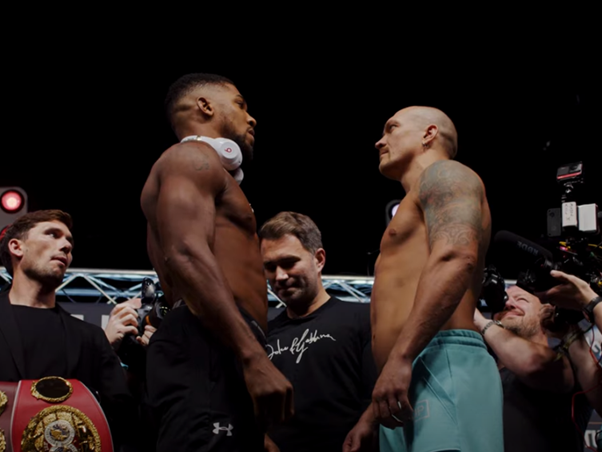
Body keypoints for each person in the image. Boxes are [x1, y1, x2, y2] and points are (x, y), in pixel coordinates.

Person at [141, 73, 293, 452]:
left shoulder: (204, 169)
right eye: (241, 104)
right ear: (205, 107)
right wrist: (253, 357)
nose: (251, 117)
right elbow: (185, 253)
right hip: (208, 341)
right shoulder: (190, 157)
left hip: (218, 346)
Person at [370, 106, 503, 451]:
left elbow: (456, 257)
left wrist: (401, 357)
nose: (379, 141)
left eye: (391, 128)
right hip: (406, 369)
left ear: (429, 134)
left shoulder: (447, 175)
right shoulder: (415, 198)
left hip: (442, 360)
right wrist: (371, 415)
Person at [0, 209, 136, 448]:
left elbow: (123, 423)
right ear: (16, 247)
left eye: (69, 242)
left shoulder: (91, 339)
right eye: (52, 235)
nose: (65, 246)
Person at [258, 211, 378, 452]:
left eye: (289, 262)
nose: (279, 276)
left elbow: (377, 395)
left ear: (319, 259)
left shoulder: (361, 319)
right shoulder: (261, 336)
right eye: (270, 267)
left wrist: (367, 424)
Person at [474, 284, 592, 451]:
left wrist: (480, 321)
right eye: (502, 301)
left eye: (521, 299)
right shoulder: (480, 374)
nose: (508, 304)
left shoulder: (570, 360)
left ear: (546, 312)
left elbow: (533, 364)